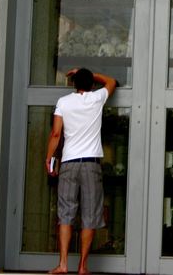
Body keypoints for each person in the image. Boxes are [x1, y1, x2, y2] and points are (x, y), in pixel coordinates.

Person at [45, 67, 117, 275]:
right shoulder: (96, 99)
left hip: (68, 163)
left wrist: (49, 158)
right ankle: (83, 267)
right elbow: (111, 80)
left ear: (74, 84)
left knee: (65, 213)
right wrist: (91, 73)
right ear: (92, 84)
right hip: (91, 164)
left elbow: (56, 133)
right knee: (90, 215)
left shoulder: (64, 102)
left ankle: (63, 264)